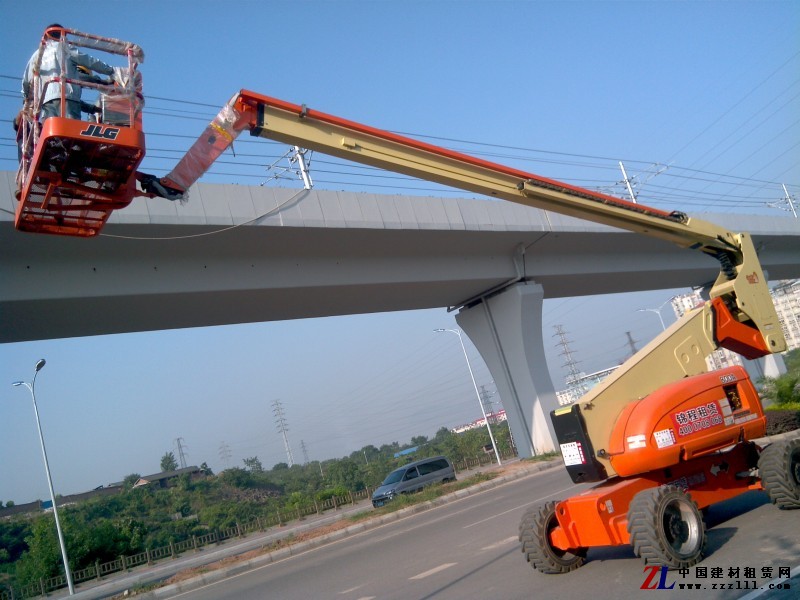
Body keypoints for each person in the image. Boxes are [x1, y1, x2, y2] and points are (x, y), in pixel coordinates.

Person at [21, 23, 114, 122]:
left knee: (52, 133)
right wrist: (111, 72)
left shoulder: (36, 56)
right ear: (63, 35)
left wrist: (27, 102)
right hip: (68, 99)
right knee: (71, 130)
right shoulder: (64, 48)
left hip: (46, 102)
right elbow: (89, 61)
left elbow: (26, 83)